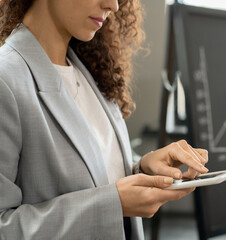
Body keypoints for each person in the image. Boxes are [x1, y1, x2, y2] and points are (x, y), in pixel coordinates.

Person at [0, 0, 208, 239]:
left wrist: (142, 169)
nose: (113, 5)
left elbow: (96, 176)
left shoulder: (87, 74)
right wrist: (112, 204)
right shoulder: (5, 81)